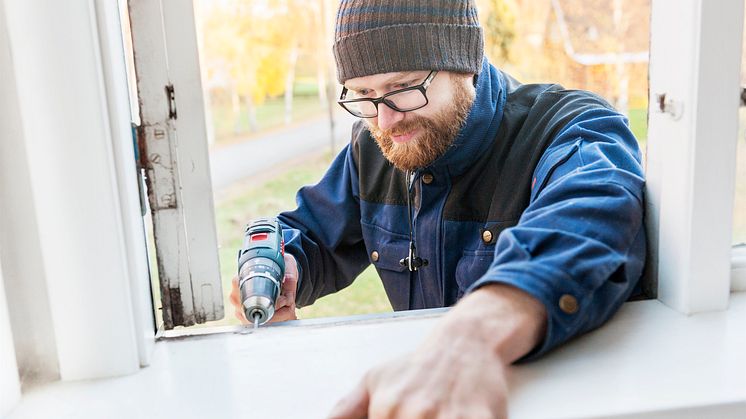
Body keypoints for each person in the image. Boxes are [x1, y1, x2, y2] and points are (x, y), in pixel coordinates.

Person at [230, 0, 646, 417]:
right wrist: (285, 271)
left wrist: (473, 335)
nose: (386, 120)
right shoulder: (371, 150)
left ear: (464, 61)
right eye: (364, 94)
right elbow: (313, 234)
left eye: (404, 88)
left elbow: (591, 210)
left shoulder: (566, 127)